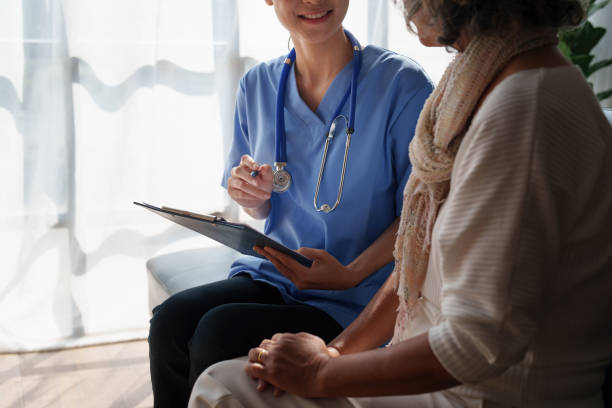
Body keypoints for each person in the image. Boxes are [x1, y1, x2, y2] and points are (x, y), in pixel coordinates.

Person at [187, 0, 612, 407]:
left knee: (223, 388)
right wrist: (334, 354)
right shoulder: (492, 86)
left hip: (478, 396)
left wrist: (319, 373)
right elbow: (419, 262)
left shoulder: (519, 113)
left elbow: (475, 344)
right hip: (452, 378)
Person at [147, 0, 433, 406]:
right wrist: (250, 193)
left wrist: (350, 274)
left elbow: (422, 216)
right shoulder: (257, 85)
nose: (313, 2)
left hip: (361, 294)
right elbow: (262, 208)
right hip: (277, 276)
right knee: (171, 322)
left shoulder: (401, 85)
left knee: (218, 331)